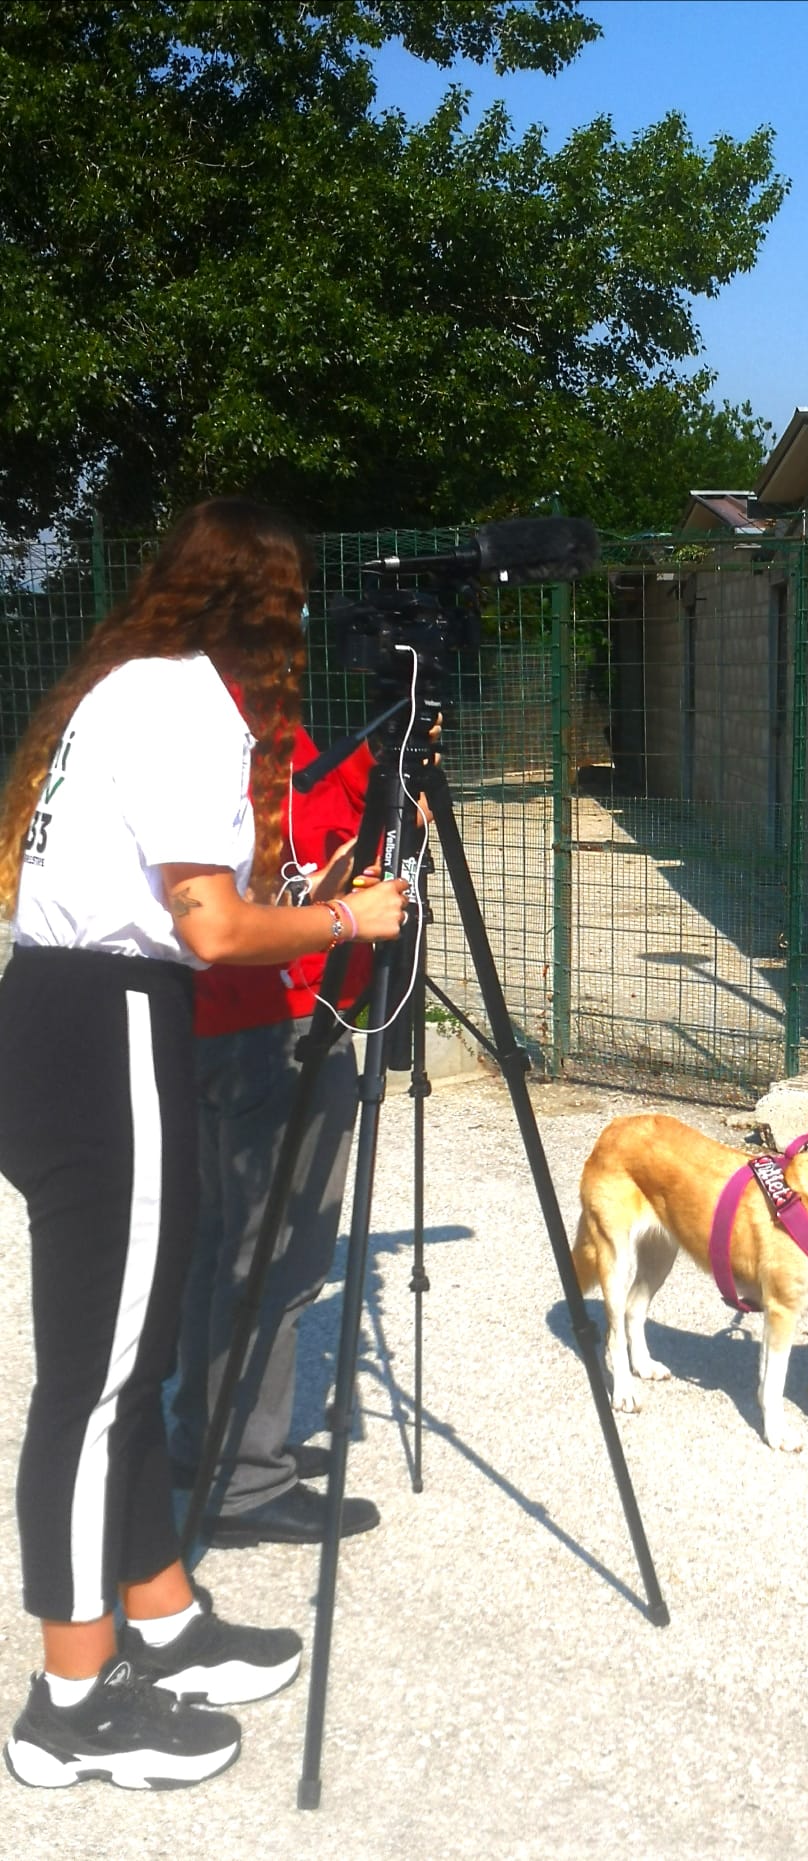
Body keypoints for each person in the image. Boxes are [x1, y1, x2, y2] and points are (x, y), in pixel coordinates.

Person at [0, 497, 408, 1789]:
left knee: (134, 1355)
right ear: (264, 606)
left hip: (80, 1018)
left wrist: (303, 899)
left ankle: (162, 1615)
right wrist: (348, 918)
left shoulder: (129, 683)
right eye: (293, 609)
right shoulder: (183, 701)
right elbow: (214, 929)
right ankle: (71, 1700)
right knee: (93, 1381)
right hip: (105, 1024)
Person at [167, 723, 381, 1546]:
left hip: (209, 1017)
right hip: (279, 1015)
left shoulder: (200, 714)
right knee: (276, 1255)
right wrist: (349, 907)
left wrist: (383, 776)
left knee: (218, 1241)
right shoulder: (241, 724)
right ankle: (246, 1479)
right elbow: (312, 842)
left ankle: (206, 1441)